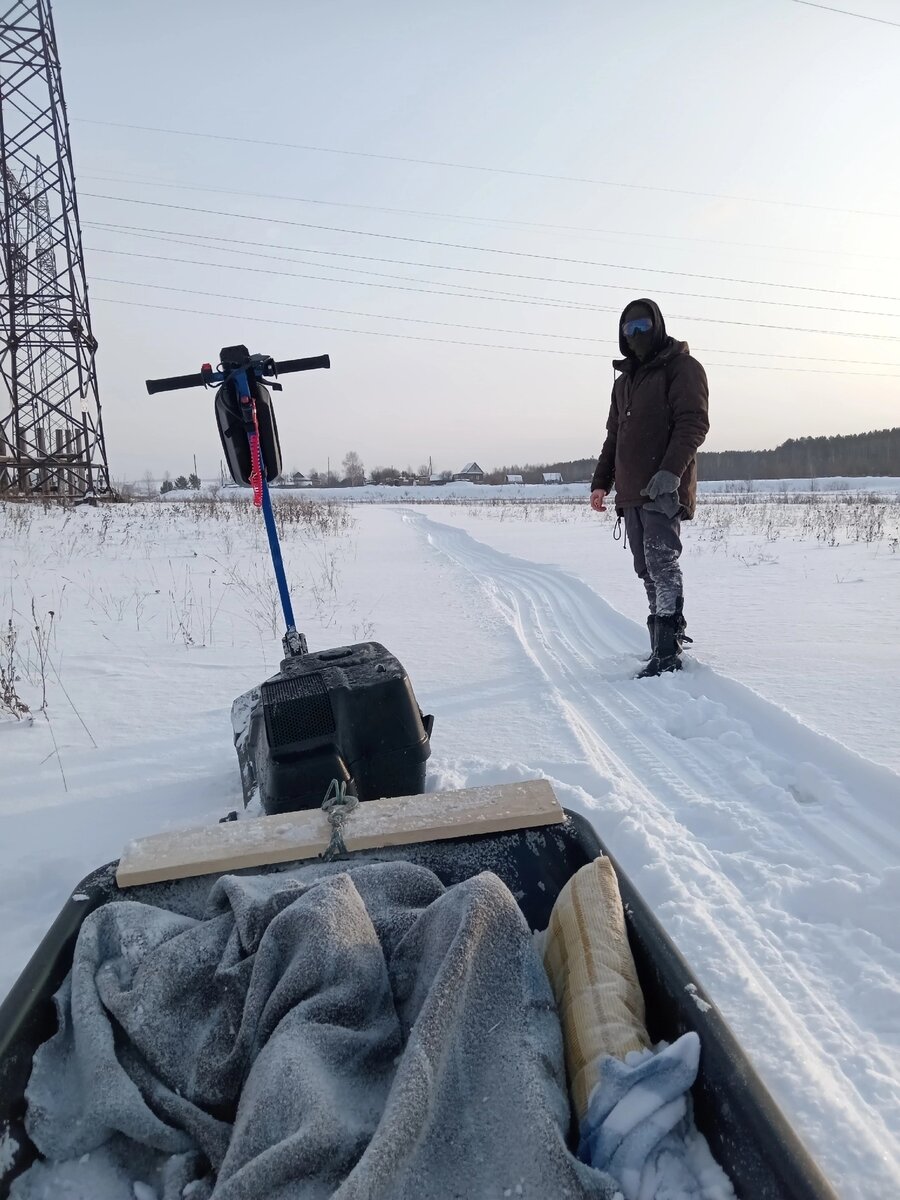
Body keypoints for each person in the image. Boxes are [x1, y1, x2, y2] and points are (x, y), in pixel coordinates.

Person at [590, 299, 709, 677]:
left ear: (656, 326)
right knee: (646, 568)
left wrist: (671, 472)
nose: (636, 335)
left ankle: (668, 653)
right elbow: (614, 439)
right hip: (630, 491)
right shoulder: (624, 383)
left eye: (642, 326)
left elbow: (693, 423)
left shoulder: (682, 369)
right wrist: (601, 483)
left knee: (662, 562)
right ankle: (662, 643)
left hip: (663, 488)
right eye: (629, 330)